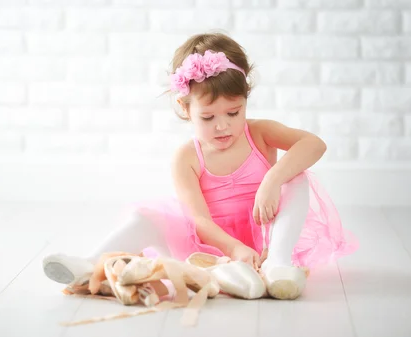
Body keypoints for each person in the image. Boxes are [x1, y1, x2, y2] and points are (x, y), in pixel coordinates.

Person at [42, 31, 359, 300]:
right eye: (208, 118)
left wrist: (273, 179)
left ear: (245, 100)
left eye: (234, 113)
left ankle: (277, 264)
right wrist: (233, 248)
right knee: (146, 216)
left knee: (297, 177)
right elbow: (199, 220)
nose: (223, 126)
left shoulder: (260, 133)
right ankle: (89, 265)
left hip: (263, 236)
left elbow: (314, 144)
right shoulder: (187, 157)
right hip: (208, 244)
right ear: (184, 107)